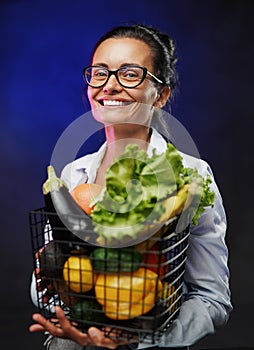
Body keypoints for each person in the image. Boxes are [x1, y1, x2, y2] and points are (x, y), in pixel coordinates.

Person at [29, 24, 232, 350]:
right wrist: (48, 277)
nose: (109, 85)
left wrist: (136, 339)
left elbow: (212, 299)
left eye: (130, 74)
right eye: (100, 73)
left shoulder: (193, 177)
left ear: (161, 95)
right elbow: (45, 290)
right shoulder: (72, 174)